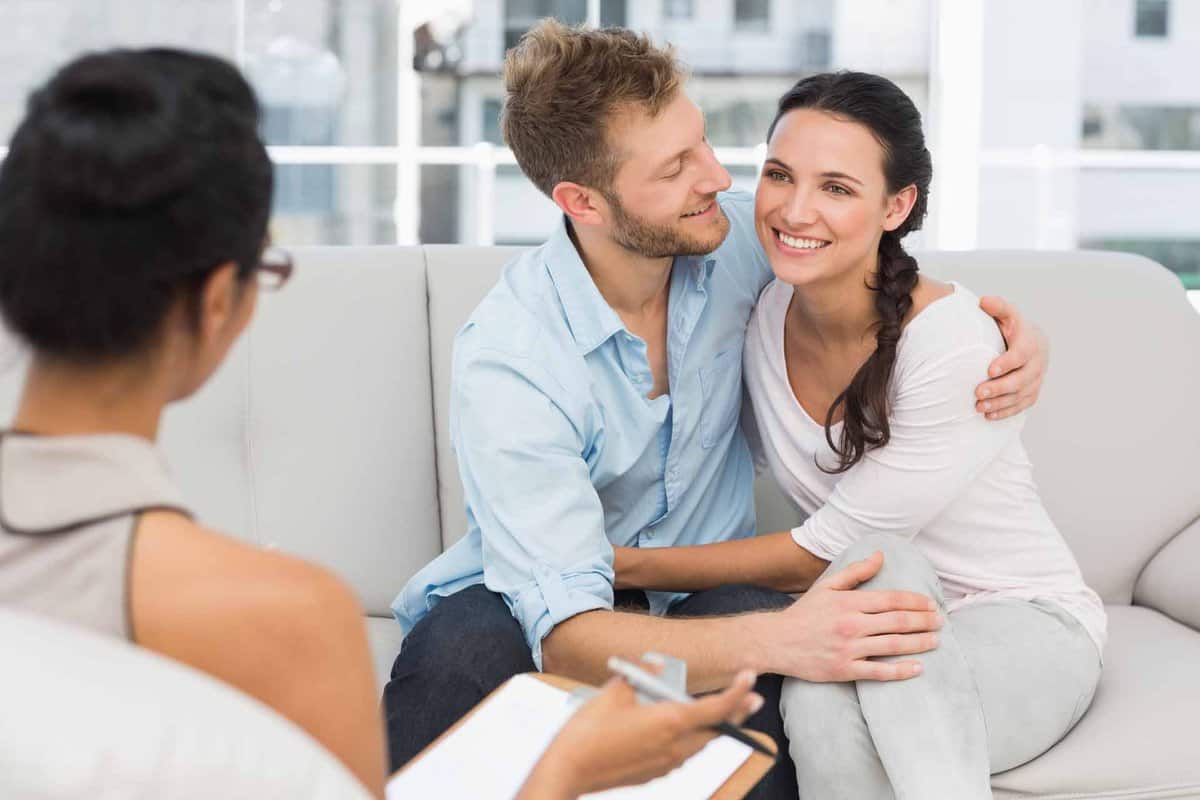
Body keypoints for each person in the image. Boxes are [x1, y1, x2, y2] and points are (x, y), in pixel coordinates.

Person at [0, 47, 760, 800]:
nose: (714, 178)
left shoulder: (737, 244)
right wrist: (563, 775)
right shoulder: (282, 617)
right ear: (217, 305)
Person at [386, 21, 1050, 797]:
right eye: (676, 166)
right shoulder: (512, 358)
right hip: (548, 607)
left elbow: (871, 267)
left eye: (701, 142)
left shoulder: (734, 239)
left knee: (761, 694)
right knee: (457, 650)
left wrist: (1008, 333)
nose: (715, 176)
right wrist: (785, 635)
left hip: (712, 601)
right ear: (582, 201)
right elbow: (568, 637)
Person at [611, 71, 1106, 798]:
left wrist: (618, 566)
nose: (796, 209)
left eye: (838, 188)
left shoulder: (952, 347)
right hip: (866, 611)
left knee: (882, 565)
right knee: (817, 694)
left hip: (1022, 620)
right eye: (779, 175)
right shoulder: (757, 301)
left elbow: (813, 556)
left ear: (895, 206)